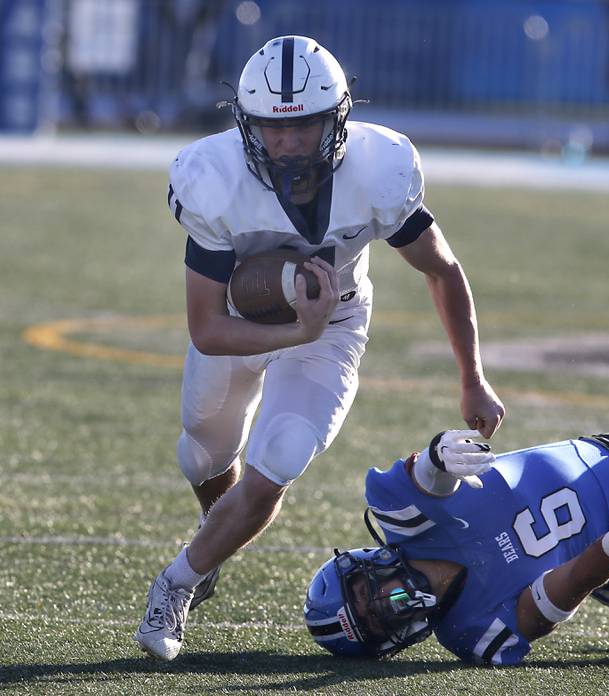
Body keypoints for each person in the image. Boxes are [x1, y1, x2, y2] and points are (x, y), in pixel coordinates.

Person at [134, 35, 505, 661]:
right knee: (203, 454)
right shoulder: (213, 178)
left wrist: (473, 376)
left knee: (277, 460)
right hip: (238, 319)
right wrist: (291, 330)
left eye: (304, 125)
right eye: (271, 128)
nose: (286, 143)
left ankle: (176, 585)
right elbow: (206, 327)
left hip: (333, 325)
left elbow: (442, 269)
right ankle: (214, 533)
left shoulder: (378, 169)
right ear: (246, 125)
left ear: (336, 119)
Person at [304, 410, 609, 666]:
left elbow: (425, 477)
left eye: (366, 597)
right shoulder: (472, 634)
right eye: (374, 622)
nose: (385, 606)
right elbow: (563, 588)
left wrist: (439, 454)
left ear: (365, 566)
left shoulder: (407, 521)